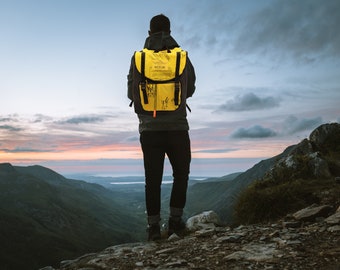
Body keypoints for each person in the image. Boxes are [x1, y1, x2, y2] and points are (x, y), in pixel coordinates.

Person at [127, 14, 196, 241]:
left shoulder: (138, 58)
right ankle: (175, 223)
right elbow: (190, 89)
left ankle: (154, 229)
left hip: (149, 130)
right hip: (177, 127)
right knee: (181, 175)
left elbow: (131, 94)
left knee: (153, 179)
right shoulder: (181, 57)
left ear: (149, 33)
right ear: (170, 31)